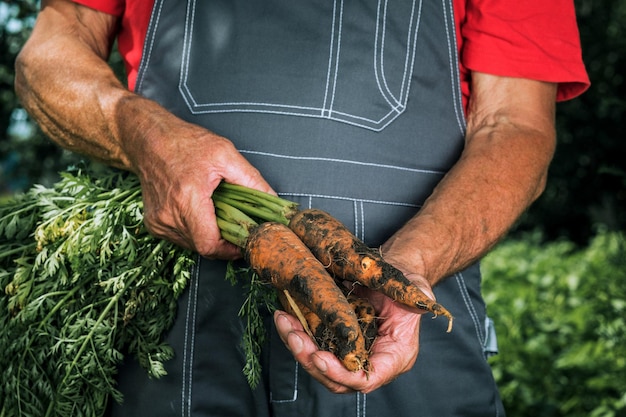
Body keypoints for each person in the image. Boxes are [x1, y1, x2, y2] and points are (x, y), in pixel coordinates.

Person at [15, 0, 589, 415]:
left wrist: (407, 268)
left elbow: (514, 125)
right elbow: (48, 50)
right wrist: (135, 129)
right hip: (172, 333)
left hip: (401, 333)